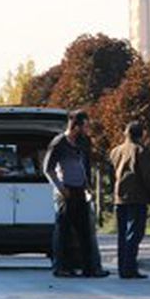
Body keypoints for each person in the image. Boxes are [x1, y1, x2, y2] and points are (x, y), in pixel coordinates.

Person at [43, 111, 109, 278]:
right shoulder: (59, 143)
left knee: (85, 231)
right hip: (65, 191)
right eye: (85, 126)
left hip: (80, 190)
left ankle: (90, 268)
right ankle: (61, 267)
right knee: (63, 231)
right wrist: (60, 187)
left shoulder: (83, 142)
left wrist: (88, 185)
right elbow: (48, 169)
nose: (87, 130)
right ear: (76, 126)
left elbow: (85, 166)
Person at [109, 121, 150, 279]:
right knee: (135, 233)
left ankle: (122, 267)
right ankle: (130, 267)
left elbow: (112, 174)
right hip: (137, 196)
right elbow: (147, 176)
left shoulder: (115, 151)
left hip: (120, 196)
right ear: (141, 134)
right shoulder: (140, 151)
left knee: (122, 234)